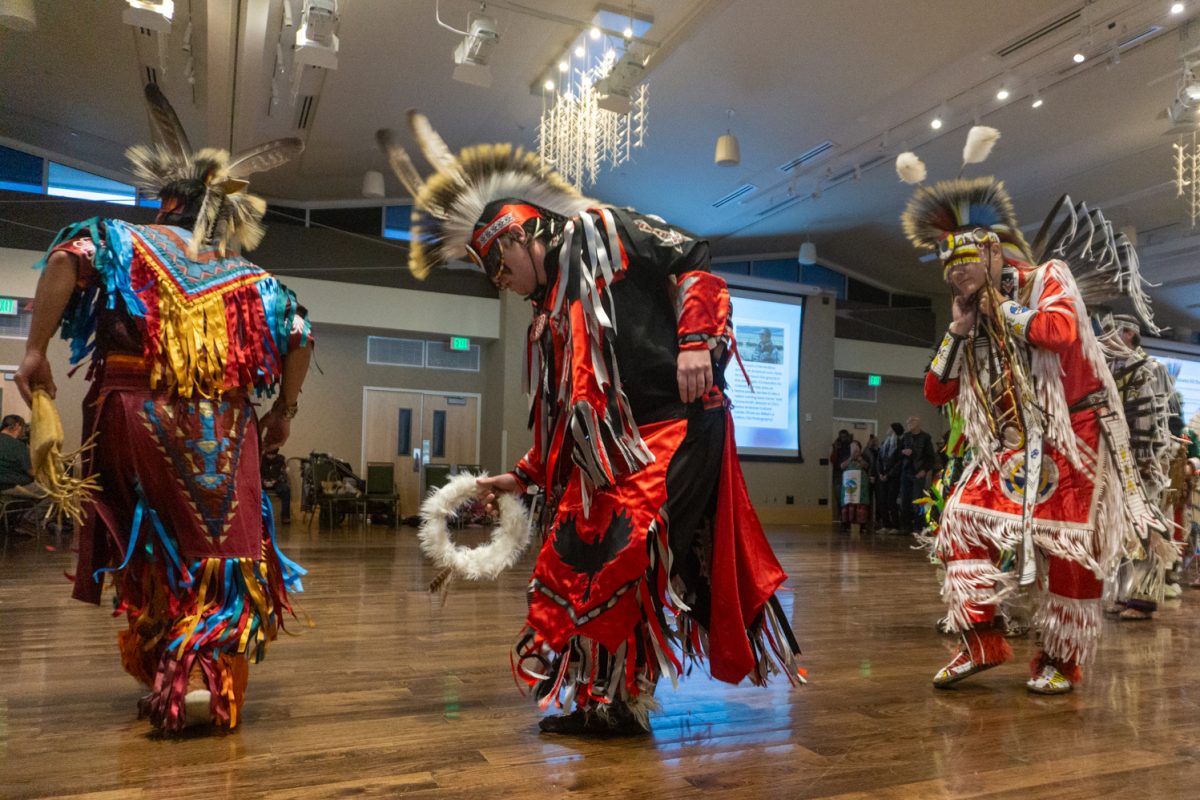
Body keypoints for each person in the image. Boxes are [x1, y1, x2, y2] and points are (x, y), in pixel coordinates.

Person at [378, 112, 802, 735]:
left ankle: (621, 704)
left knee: (630, 555)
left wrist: (696, 341)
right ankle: (606, 702)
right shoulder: (549, 310)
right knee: (567, 555)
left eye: (500, 268)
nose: (503, 283)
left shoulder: (604, 230)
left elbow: (695, 258)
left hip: (677, 426)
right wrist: (522, 477)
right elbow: (570, 412)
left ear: (519, 236)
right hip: (611, 454)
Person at [13, 85, 312, 734]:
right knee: (222, 555)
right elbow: (299, 334)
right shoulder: (251, 280)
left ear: (163, 202)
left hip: (135, 416)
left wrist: (35, 350)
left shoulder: (120, 239)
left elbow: (67, 258)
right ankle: (203, 683)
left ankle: (170, 677)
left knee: (151, 551)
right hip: (227, 431)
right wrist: (284, 409)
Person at [898, 128, 1148, 694]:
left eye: (965, 266)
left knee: (1067, 549)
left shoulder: (1046, 279)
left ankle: (1062, 660)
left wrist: (1000, 306)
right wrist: (960, 330)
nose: (956, 277)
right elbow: (937, 392)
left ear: (992, 252)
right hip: (1010, 443)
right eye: (949, 272)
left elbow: (1056, 332)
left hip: (1073, 433)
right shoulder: (971, 312)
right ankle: (982, 641)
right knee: (959, 519)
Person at [897, 415, 934, 533]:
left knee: (918, 501)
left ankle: (918, 526)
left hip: (919, 473)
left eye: (911, 422)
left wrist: (924, 470)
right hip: (906, 472)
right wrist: (903, 451)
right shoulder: (905, 437)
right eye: (908, 422)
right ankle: (905, 527)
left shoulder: (926, 437)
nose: (909, 424)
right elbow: (897, 453)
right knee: (905, 500)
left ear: (917, 423)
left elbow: (930, 457)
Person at [875, 421, 904, 532]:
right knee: (882, 501)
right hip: (883, 478)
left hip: (893, 478)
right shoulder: (883, 443)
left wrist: (889, 474)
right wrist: (880, 473)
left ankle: (895, 526)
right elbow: (879, 460)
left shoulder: (900, 444)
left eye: (890, 427)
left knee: (891, 501)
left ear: (894, 430)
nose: (888, 429)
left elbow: (899, 462)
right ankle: (886, 525)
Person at [840, 440, 872, 534]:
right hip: (849, 486)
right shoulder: (847, 456)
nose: (853, 449)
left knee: (861, 503)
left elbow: (867, 466)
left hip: (861, 485)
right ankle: (846, 525)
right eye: (852, 447)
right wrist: (851, 457)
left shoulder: (864, 456)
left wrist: (859, 458)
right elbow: (842, 466)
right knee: (848, 502)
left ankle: (862, 526)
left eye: (855, 447)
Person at [0, 414, 35, 493]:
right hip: (10, 487)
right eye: (23, 427)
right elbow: (32, 472)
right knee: (53, 493)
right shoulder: (18, 446)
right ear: (17, 426)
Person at [261, 450, 293, 524]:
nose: (271, 456)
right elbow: (256, 472)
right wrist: (262, 481)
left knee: (286, 490)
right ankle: (259, 516)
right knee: (254, 490)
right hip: (263, 481)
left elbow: (284, 474)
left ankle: (285, 517)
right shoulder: (261, 459)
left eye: (273, 454)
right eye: (269, 454)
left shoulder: (281, 459)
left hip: (277, 482)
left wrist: (276, 480)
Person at [830, 429, 853, 518]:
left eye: (844, 437)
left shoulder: (851, 446)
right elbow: (832, 460)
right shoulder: (836, 446)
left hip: (849, 475)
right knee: (839, 498)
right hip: (838, 475)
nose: (843, 439)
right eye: (841, 437)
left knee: (849, 498)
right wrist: (835, 448)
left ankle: (847, 517)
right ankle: (841, 517)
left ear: (847, 437)